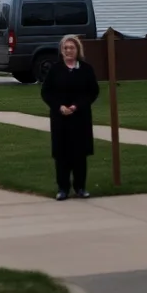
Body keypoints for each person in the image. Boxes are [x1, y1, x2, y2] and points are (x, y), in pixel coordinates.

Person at [41, 35, 100, 200]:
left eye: (71, 48)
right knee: (62, 155)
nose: (68, 51)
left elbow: (92, 92)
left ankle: (80, 187)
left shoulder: (86, 69)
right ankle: (63, 188)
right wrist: (59, 106)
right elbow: (46, 92)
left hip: (80, 118)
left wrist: (77, 106)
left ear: (77, 50)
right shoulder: (55, 69)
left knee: (79, 155)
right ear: (62, 50)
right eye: (65, 48)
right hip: (60, 119)